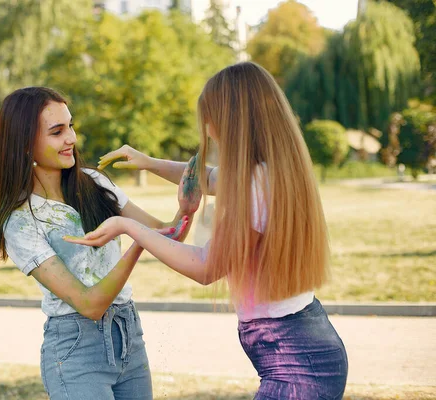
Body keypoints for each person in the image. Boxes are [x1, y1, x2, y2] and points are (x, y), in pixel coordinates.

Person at [65, 62, 349, 400]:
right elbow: (208, 177)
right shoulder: (269, 170)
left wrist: (129, 227)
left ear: (233, 120)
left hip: (298, 367)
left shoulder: (257, 184)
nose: (209, 131)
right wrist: (149, 162)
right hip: (307, 349)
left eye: (210, 119)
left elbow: (206, 267)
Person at [0, 86, 189, 400]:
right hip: (75, 350)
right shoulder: (23, 220)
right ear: (25, 145)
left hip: (129, 338)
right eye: (57, 131)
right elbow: (90, 303)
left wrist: (187, 200)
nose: (71, 138)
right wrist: (137, 237)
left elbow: (170, 235)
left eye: (70, 126)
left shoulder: (95, 183)